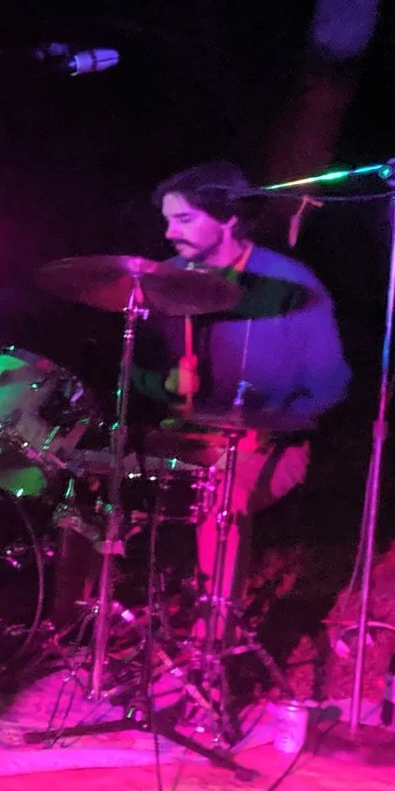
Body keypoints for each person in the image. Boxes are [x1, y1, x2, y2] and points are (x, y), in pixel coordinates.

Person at [137, 161, 350, 600]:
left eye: (185, 219)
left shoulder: (290, 284)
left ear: (229, 218)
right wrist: (164, 384)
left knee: (220, 494)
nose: (170, 233)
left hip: (268, 447)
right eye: (167, 221)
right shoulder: (161, 281)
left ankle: (211, 646)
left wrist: (266, 425)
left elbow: (331, 384)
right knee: (86, 474)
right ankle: (71, 624)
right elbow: (134, 372)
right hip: (185, 439)